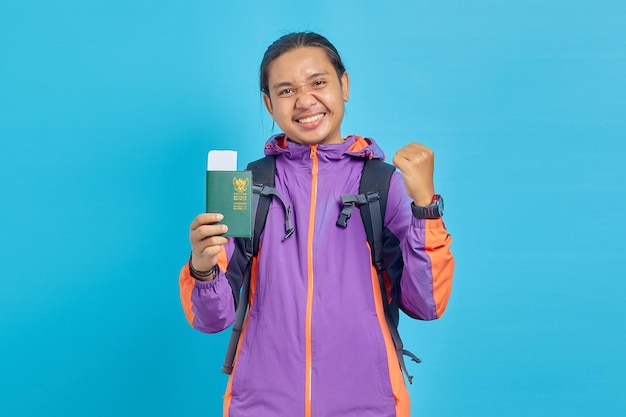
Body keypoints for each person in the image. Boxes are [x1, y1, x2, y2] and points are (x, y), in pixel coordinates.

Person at [179, 31, 454, 417]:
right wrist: (202, 268)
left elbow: (425, 303)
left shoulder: (382, 184)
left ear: (344, 85)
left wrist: (426, 207)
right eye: (287, 90)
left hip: (369, 405)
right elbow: (212, 320)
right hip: (260, 406)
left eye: (318, 82)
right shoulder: (247, 187)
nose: (305, 101)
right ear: (268, 104)